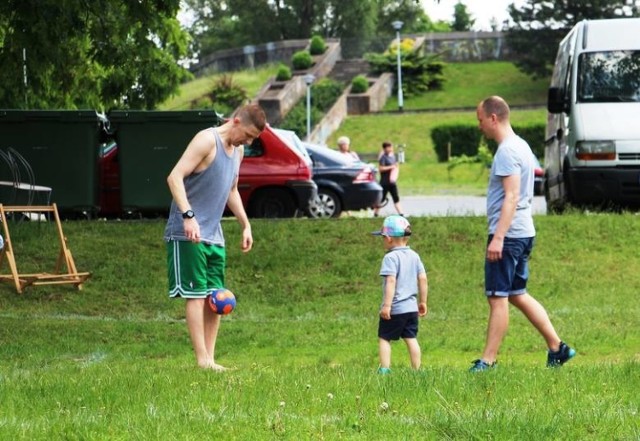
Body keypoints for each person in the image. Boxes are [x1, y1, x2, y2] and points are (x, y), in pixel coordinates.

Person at [470, 96, 575, 372]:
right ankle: (557, 347)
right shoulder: (522, 146)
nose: (479, 126)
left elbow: (512, 196)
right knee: (517, 293)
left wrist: (498, 237)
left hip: (510, 235)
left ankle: (488, 361)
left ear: (493, 118)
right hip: (523, 231)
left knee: (498, 297)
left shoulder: (507, 151)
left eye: (481, 120)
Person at [163, 104, 266, 371]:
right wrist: (188, 216)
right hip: (188, 232)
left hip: (214, 235)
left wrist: (245, 225)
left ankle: (210, 358)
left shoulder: (238, 151)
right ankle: (201, 361)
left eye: (254, 138)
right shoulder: (206, 140)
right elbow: (174, 177)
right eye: (249, 134)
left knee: (214, 296)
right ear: (236, 121)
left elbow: (231, 189)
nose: (250, 141)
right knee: (196, 295)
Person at [371, 215, 428, 374]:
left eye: (382, 237)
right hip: (411, 309)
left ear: (389, 239)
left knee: (384, 337)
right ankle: (417, 370)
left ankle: (384, 369)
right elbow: (423, 279)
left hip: (396, 308)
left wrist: (387, 305)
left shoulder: (390, 257)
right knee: (411, 338)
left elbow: (391, 281)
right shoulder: (414, 256)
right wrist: (422, 302)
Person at [373, 141, 403, 217]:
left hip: (392, 182)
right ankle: (375, 214)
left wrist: (396, 168)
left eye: (391, 147)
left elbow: (395, 166)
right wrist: (391, 167)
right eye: (389, 147)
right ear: (385, 148)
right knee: (381, 199)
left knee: (396, 197)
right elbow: (380, 168)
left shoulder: (392, 156)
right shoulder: (383, 158)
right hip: (384, 182)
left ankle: (401, 214)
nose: (391, 148)